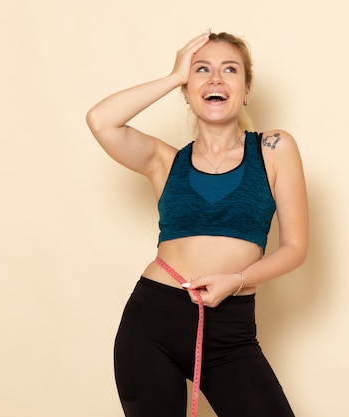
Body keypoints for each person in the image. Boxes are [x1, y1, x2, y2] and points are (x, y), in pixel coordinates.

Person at [86, 29, 309, 417]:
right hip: (152, 321)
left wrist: (236, 280)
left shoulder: (274, 148)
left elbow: (295, 249)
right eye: (201, 70)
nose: (216, 79)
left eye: (230, 70)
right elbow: (101, 120)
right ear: (188, 91)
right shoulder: (165, 161)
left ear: (246, 88)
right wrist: (174, 75)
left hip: (231, 327)